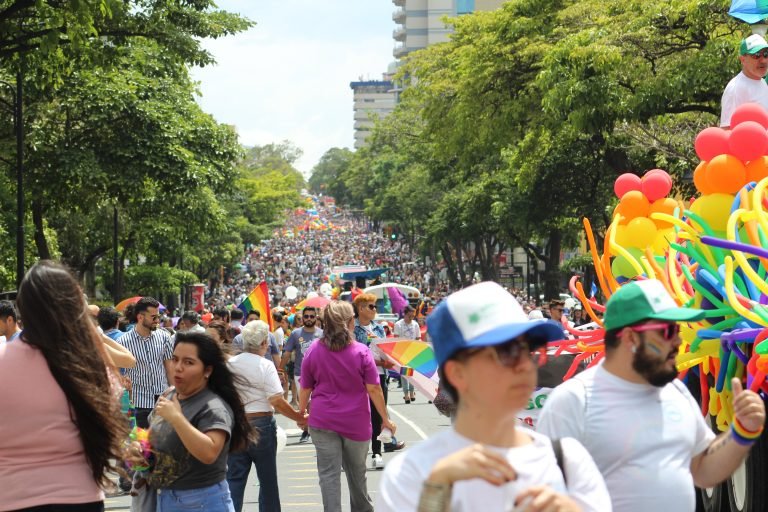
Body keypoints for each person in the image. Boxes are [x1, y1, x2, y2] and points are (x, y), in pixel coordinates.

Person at [376, 281, 610, 512]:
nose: (524, 365)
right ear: (457, 373)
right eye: (505, 353)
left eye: (529, 349)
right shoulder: (412, 474)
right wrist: (435, 497)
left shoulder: (568, 462)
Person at [537, 279, 767, 512]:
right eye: (668, 331)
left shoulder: (676, 393)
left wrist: (741, 433)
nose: (678, 341)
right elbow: (544, 498)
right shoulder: (573, 402)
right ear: (630, 338)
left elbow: (704, 470)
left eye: (677, 330)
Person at [0, 261, 128, 510]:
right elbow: (110, 422)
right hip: (80, 497)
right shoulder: (88, 363)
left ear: (22, 309)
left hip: (13, 497)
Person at [129, 331, 253, 511]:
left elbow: (210, 452)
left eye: (188, 362)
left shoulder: (213, 407)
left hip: (202, 502)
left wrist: (177, 418)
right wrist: (138, 450)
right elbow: (150, 437)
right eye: (175, 359)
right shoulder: (169, 396)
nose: (178, 367)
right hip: (165, 499)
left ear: (207, 371)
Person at [300, 300, 397, 512]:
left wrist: (301, 413)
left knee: (328, 476)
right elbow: (374, 389)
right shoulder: (361, 352)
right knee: (356, 474)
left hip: (322, 420)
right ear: (351, 322)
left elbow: (305, 389)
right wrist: (385, 419)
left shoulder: (313, 351)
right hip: (356, 422)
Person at [227, 320, 306, 512]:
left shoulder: (229, 364)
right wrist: (298, 417)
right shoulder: (265, 365)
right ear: (263, 343)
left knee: (234, 480)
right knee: (267, 480)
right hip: (262, 424)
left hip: (236, 424)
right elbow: (276, 400)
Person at [353, 293, 404, 468]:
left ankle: (377, 452)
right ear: (360, 308)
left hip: (380, 375)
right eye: (371, 306)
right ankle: (356, 455)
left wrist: (389, 360)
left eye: (375, 306)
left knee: (378, 415)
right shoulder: (352, 329)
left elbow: (384, 350)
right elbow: (355, 356)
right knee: (360, 416)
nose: (375, 310)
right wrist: (380, 361)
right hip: (359, 377)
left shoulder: (379, 328)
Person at [118, 296, 174, 428]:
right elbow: (120, 375)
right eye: (153, 317)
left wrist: (174, 395)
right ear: (140, 317)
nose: (157, 320)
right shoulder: (123, 342)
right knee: (142, 444)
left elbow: (169, 368)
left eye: (158, 316)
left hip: (162, 400)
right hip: (139, 403)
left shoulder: (164, 337)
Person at [280, 306, 323, 443]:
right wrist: (280, 369)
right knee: (306, 402)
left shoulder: (322, 334)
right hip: (301, 374)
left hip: (319, 374)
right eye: (306, 316)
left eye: (312, 316)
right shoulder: (295, 334)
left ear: (316, 318)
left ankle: (315, 429)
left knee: (316, 402)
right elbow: (287, 353)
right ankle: (306, 430)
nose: (309, 319)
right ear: (302, 318)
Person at [721, 34, 768, 128]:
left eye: (766, 54)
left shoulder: (762, 82)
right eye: (756, 55)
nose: (763, 60)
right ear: (743, 60)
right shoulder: (736, 88)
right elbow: (727, 129)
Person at [393, 305, 420, 403]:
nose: (411, 317)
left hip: (413, 352)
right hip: (402, 352)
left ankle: (412, 392)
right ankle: (406, 394)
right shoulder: (398, 324)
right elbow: (395, 339)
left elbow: (418, 338)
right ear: (405, 314)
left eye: (413, 315)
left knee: (413, 373)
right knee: (405, 374)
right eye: (410, 315)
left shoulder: (415, 324)